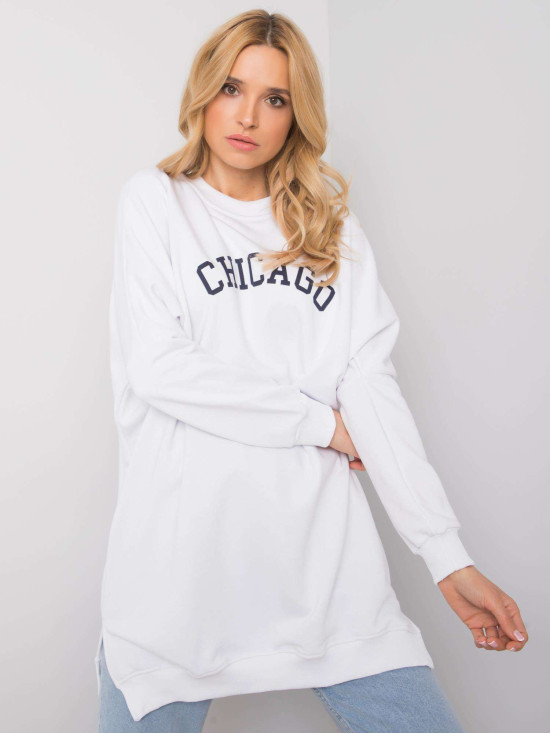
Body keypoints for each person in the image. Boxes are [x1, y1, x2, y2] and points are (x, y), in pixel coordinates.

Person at [95, 9, 528, 732]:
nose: (248, 116)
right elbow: (159, 367)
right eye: (232, 88)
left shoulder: (329, 224)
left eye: (275, 98)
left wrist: (447, 556)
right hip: (176, 585)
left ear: (297, 115)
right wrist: (320, 424)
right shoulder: (156, 202)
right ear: (204, 89)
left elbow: (372, 389)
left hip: (329, 578)